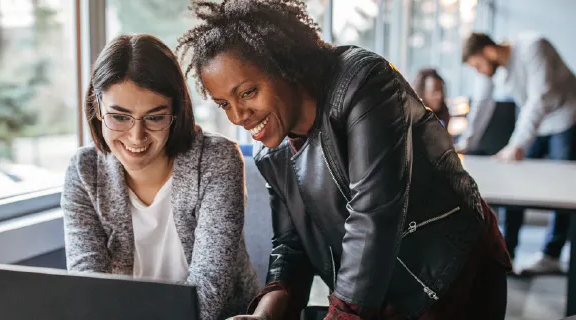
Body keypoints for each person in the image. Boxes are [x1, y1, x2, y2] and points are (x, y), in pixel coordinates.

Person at [177, 1, 512, 319]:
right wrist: (265, 313)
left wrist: (344, 314)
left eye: (248, 93)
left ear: (283, 64)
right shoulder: (271, 150)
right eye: (224, 104)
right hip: (378, 297)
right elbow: (291, 247)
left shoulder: (362, 83)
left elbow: (374, 216)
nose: (239, 116)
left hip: (451, 277)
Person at [61, 34, 258, 320]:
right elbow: (89, 288)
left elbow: (207, 293)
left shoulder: (217, 159)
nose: (136, 136)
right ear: (98, 107)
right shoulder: (84, 172)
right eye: (119, 117)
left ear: (176, 112)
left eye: (154, 117)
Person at [460, 32, 576, 275]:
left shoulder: (533, 47)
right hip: (535, 121)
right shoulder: (495, 68)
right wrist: (468, 141)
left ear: (489, 51)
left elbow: (539, 99)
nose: (478, 71)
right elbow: (482, 102)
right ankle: (507, 251)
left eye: (477, 65)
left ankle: (551, 254)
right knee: (514, 181)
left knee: (564, 187)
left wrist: (516, 145)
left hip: (565, 116)